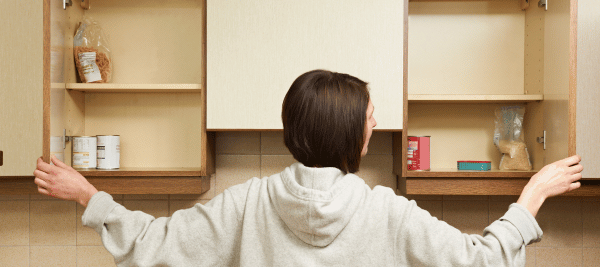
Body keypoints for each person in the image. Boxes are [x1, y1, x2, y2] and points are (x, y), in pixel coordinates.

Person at [34, 69, 583, 267]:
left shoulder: (248, 202)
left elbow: (155, 244)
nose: (374, 129)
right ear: (354, 136)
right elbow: (478, 261)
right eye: (371, 120)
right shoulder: (384, 211)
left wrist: (89, 195)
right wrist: (532, 193)